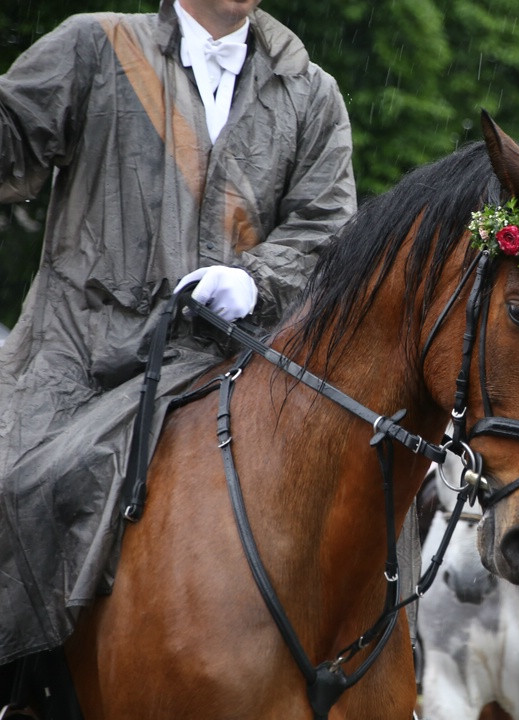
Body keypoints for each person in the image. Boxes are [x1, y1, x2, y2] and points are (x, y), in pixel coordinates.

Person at [0, 0, 356, 665]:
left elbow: (325, 232)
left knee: (371, 489)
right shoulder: (96, 45)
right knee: (19, 491)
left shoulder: (313, 93)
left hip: (227, 364)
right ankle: (24, 686)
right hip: (75, 358)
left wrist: (253, 280)